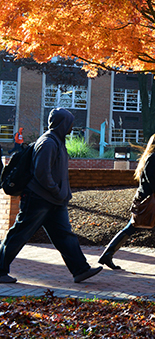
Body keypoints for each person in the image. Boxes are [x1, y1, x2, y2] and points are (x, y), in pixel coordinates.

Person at [0, 108, 102, 283]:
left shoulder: (58, 141)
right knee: (19, 234)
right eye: (69, 123)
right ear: (62, 124)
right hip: (38, 199)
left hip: (54, 200)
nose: (71, 127)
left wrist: (60, 194)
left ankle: (80, 269)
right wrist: (56, 190)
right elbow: (42, 173)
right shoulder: (47, 142)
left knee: (64, 235)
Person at [98, 132, 155, 270]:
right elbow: (151, 180)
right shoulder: (153, 158)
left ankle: (107, 255)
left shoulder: (154, 157)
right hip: (151, 200)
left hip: (149, 200)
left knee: (133, 227)